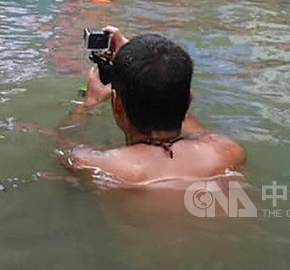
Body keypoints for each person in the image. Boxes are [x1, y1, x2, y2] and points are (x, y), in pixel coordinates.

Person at [57, 27, 246, 187]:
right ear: (188, 101)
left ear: (117, 104)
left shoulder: (100, 166)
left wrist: (89, 103)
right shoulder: (228, 153)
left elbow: (62, 145)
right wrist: (149, 67)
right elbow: (194, 126)